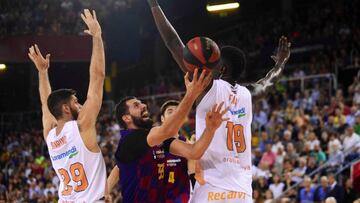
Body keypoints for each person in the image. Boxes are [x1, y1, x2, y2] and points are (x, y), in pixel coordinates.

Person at [147, 0, 291, 202]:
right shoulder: (248, 94)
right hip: (242, 192)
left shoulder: (206, 86)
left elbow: (172, 42)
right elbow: (267, 82)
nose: (212, 63)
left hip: (212, 189)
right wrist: (280, 64)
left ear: (221, 69)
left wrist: (154, 5)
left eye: (216, 61)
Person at [108, 69, 229, 202]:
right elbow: (167, 131)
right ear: (126, 118)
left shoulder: (159, 140)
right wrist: (192, 93)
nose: (144, 105)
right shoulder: (130, 140)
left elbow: (194, 152)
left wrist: (210, 128)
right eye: (136, 105)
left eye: (141, 102)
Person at [28, 9, 108, 202]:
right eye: (76, 102)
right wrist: (97, 37)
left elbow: (45, 103)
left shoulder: (50, 136)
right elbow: (97, 79)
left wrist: (42, 72)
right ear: (65, 108)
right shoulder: (81, 127)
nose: (80, 105)